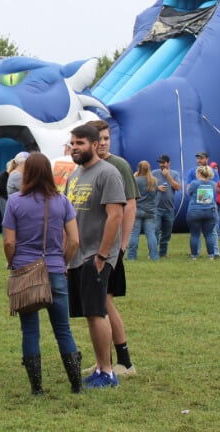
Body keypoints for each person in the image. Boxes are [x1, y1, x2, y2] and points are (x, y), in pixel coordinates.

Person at [2, 152, 82, 395]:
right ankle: (76, 384)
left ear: (27, 173)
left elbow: (8, 243)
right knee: (63, 329)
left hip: (26, 270)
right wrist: (63, 262)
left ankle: (37, 387)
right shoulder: (62, 201)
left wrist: (11, 263)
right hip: (55, 269)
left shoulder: (15, 201)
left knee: (30, 330)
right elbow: (75, 240)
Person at [63, 124, 125, 388]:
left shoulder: (108, 173)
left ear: (94, 144)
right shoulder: (74, 175)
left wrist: (102, 255)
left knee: (97, 312)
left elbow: (115, 216)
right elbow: (68, 219)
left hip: (95, 257)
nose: (75, 148)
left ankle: (108, 372)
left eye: (80, 143)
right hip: (77, 255)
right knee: (89, 313)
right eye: (73, 143)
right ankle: (100, 366)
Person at [87, 120, 138, 378]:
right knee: (97, 305)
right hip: (91, 248)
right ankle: (102, 361)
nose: (105, 142)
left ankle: (125, 362)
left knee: (105, 303)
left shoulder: (119, 166)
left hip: (110, 249)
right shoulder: (89, 167)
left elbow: (129, 206)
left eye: (107, 138)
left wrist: (124, 243)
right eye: (100, 138)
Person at [127, 161, 159, 261]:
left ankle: (132, 257)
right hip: (150, 211)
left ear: (138, 168)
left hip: (137, 210)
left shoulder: (135, 180)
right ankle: (154, 256)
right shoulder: (154, 181)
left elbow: (131, 194)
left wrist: (134, 176)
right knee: (151, 234)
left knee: (134, 234)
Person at [186, 165, 220, 259]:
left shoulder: (194, 183)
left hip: (195, 211)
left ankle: (194, 255)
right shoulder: (213, 184)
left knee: (195, 234)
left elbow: (189, 192)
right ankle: (211, 255)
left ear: (199, 173)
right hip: (210, 211)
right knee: (209, 234)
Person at [151, 155, 180, 258]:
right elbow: (147, 186)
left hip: (169, 209)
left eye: (163, 162)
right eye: (160, 163)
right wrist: (157, 187)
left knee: (166, 233)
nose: (161, 165)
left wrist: (168, 176)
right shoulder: (154, 173)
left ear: (169, 163)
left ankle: (163, 254)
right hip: (157, 208)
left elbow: (177, 187)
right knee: (155, 230)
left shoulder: (175, 174)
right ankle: (153, 253)